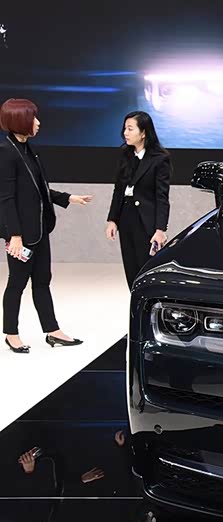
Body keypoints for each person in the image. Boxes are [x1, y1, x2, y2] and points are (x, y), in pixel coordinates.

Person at [0, 98, 92, 353]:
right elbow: (6, 199)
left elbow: (38, 190)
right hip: (21, 235)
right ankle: (11, 333)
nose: (38, 123)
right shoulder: (6, 152)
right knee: (17, 283)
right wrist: (14, 235)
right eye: (33, 118)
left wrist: (67, 198)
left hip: (39, 230)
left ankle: (53, 331)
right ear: (20, 121)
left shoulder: (29, 149)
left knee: (42, 281)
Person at [105, 111, 171, 289]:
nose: (125, 133)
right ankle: (134, 299)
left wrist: (160, 229)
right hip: (126, 216)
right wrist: (112, 219)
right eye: (124, 129)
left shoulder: (160, 159)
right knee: (130, 266)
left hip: (145, 220)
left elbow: (162, 197)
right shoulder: (125, 154)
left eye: (130, 129)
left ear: (143, 133)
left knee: (145, 267)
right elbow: (118, 190)